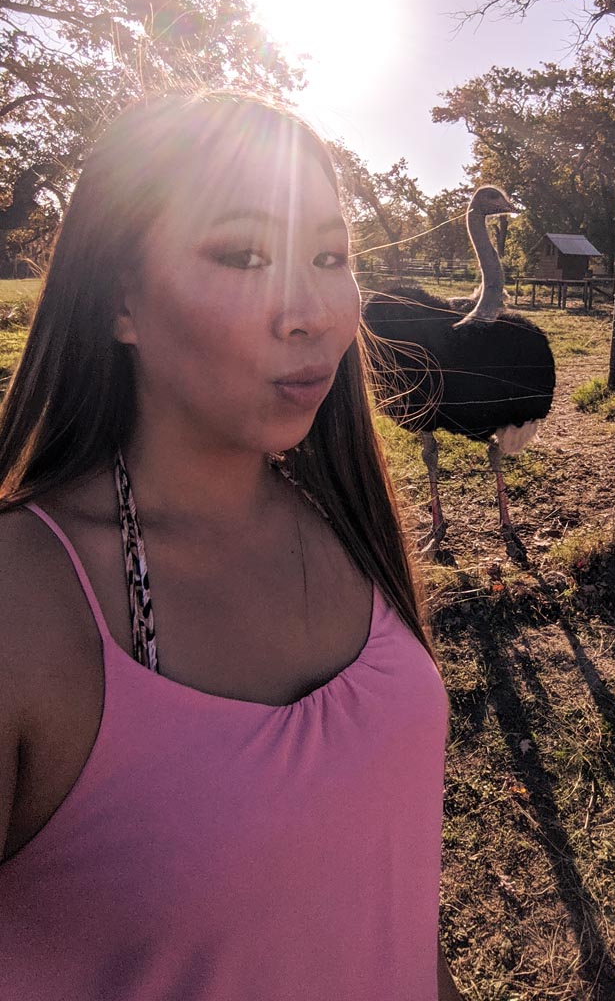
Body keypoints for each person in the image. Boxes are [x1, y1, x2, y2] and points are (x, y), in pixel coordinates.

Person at [0, 93, 464, 1001]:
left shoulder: (348, 522)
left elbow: (393, 902)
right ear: (119, 300)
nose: (316, 312)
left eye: (331, 257)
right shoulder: (24, 607)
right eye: (244, 254)